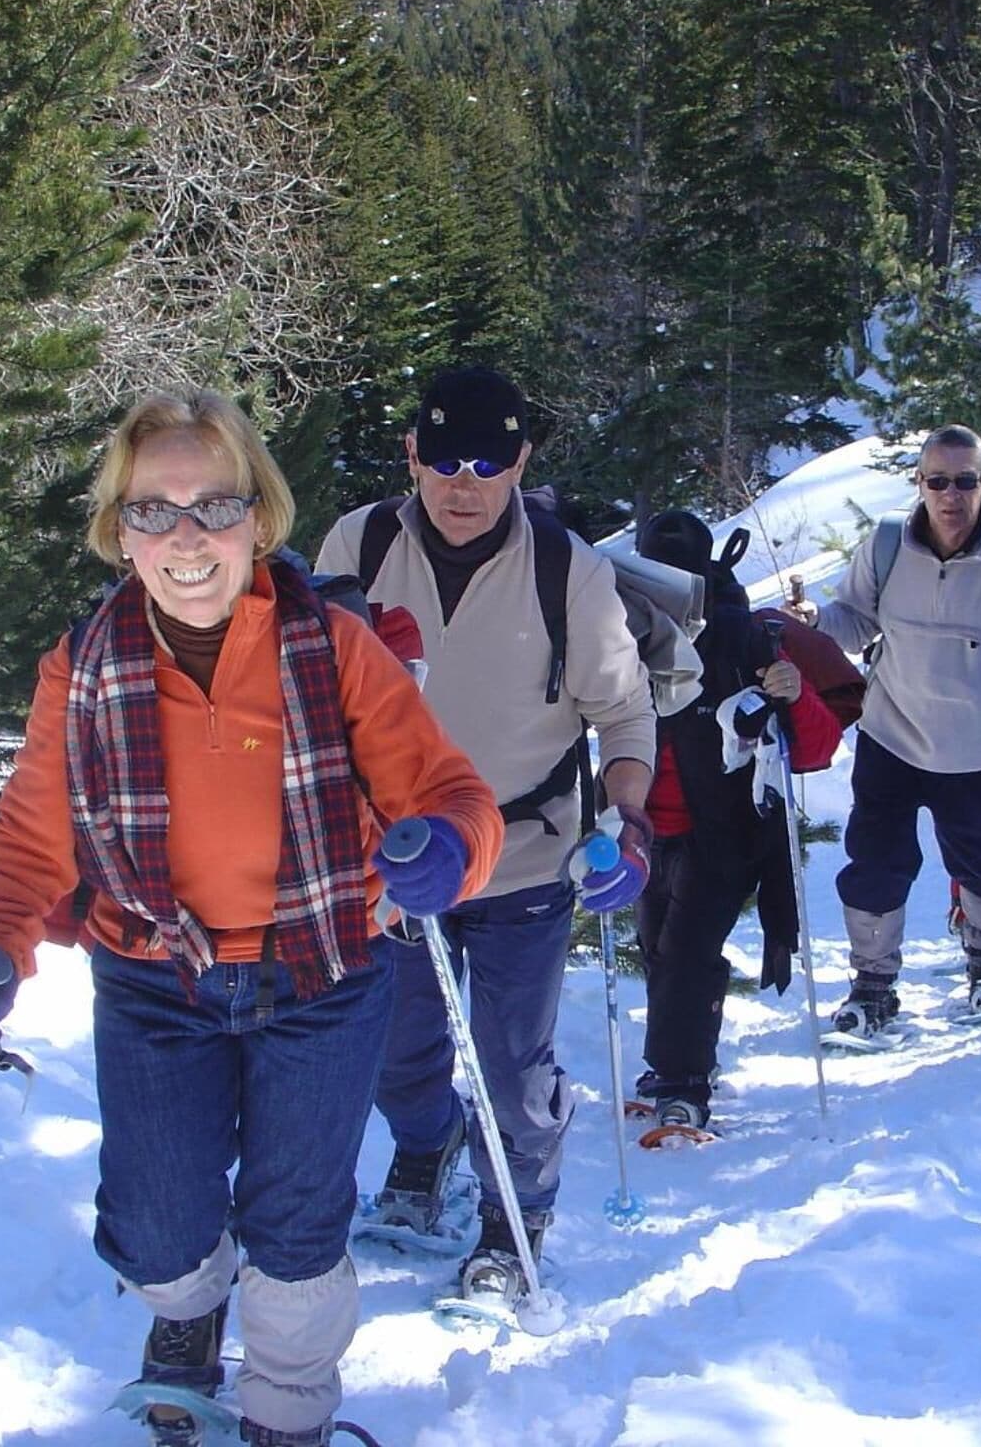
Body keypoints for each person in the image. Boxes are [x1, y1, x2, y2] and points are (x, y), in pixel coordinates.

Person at [0, 391, 503, 1447]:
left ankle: (288, 1409)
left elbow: (449, 795)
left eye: (213, 506)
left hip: (322, 973)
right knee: (155, 1220)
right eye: (152, 511)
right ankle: (185, 1317)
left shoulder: (331, 647)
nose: (184, 537)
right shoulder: (83, 666)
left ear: (259, 518)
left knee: (294, 1226)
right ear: (118, 530)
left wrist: (445, 854)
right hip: (153, 978)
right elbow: (29, 838)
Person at [315, 365, 655, 1305]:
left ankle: (517, 1216)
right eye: (447, 460)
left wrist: (627, 827)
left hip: (526, 852)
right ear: (413, 454)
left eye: (490, 460)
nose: (465, 484)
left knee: (513, 1058)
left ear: (520, 462)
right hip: (399, 860)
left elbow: (625, 714)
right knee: (396, 1050)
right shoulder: (361, 543)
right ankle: (428, 1150)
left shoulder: (567, 568)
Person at [809, 424, 981, 1030]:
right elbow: (855, 620)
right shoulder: (886, 544)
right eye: (938, 481)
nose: (951, 494)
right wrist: (812, 623)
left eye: (965, 481)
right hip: (890, 737)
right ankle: (873, 982)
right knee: (875, 862)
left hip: (980, 745)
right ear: (920, 483)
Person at [632, 511, 847, 1128]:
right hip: (644, 828)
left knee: (687, 951)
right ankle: (679, 1061)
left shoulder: (744, 639)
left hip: (721, 833)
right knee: (658, 949)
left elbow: (813, 750)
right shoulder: (622, 630)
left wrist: (791, 692)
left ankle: (684, 1080)